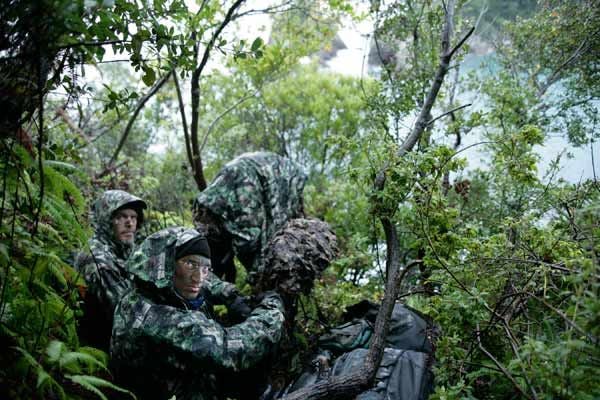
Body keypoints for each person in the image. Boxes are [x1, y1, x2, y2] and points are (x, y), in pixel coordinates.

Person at [110, 227, 285, 400]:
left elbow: (207, 280)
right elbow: (229, 348)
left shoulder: (145, 289)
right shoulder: (155, 317)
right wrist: (271, 310)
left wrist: (231, 296)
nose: (198, 278)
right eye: (190, 264)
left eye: (205, 268)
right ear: (166, 264)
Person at [193, 151, 306, 282]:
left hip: (216, 205)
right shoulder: (244, 191)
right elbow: (248, 240)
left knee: (214, 262)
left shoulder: (251, 179)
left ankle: (216, 288)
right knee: (211, 264)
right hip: (219, 208)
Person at [74, 189, 147, 350]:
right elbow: (126, 313)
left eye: (133, 217)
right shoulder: (97, 258)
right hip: (99, 348)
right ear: (107, 220)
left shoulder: (124, 248)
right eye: (121, 216)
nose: (129, 223)